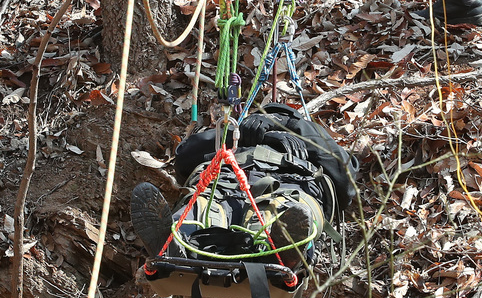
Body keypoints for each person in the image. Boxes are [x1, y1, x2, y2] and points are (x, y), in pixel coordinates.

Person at [131, 104, 357, 265]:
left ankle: (274, 251)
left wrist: (295, 129)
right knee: (205, 207)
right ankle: (177, 244)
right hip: (224, 186)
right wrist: (238, 135)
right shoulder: (234, 135)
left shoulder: (312, 139)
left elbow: (346, 180)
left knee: (278, 210)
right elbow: (185, 158)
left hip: (290, 186)